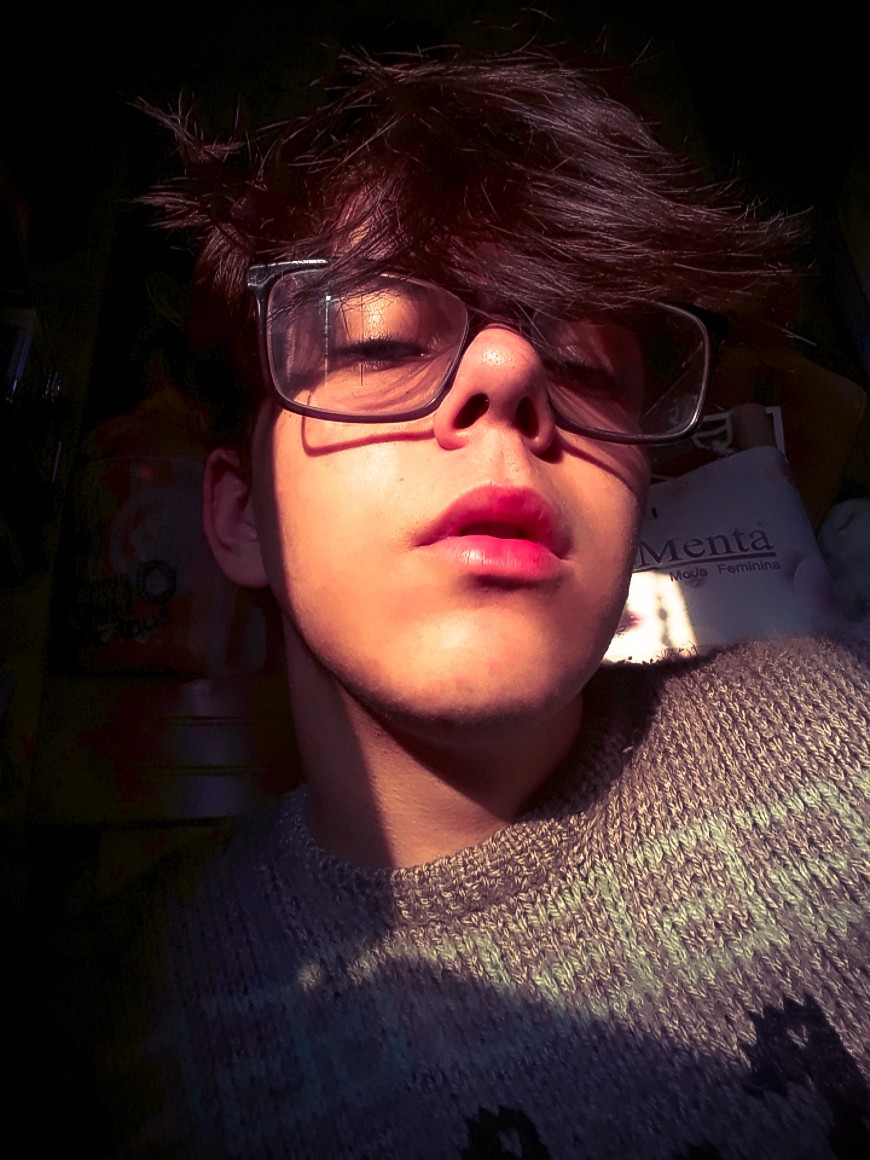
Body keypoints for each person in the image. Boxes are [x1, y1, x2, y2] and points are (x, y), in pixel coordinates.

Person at [51, 52, 869, 1158]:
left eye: (589, 367)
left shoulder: (833, 735)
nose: (511, 371)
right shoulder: (111, 1036)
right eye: (381, 341)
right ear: (242, 518)